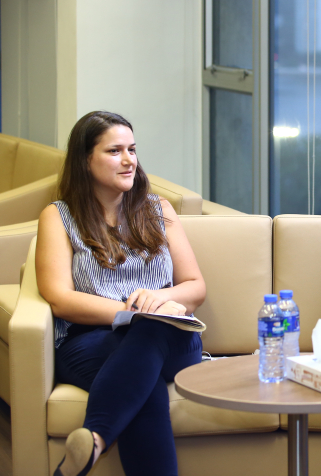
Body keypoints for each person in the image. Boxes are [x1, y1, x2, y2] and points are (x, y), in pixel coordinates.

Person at [36, 111, 206, 476]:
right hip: (90, 343)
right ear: (85, 160)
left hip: (170, 335)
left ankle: (95, 439)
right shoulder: (59, 217)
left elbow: (196, 286)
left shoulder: (158, 210)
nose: (130, 160)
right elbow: (59, 298)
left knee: (150, 329)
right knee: (145, 387)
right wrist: (127, 310)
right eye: (115, 151)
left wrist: (157, 302)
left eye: (132, 149)